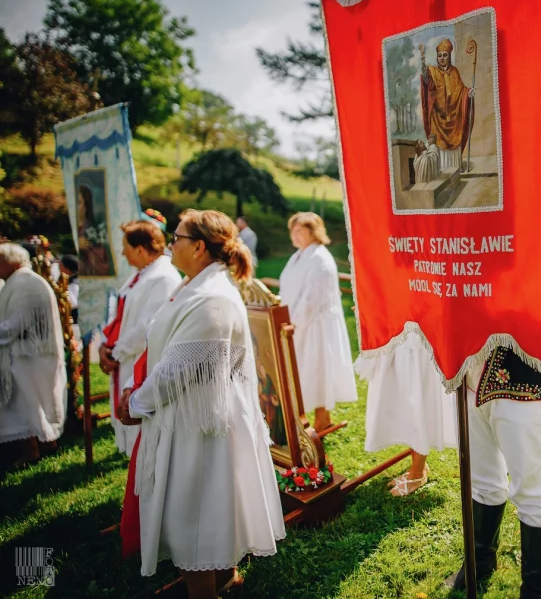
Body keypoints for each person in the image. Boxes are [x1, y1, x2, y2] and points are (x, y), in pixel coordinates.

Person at [116, 209, 284, 596]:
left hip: (200, 428)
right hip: (197, 418)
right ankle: (221, 577)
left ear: (198, 247)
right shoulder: (196, 286)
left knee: (195, 513)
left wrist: (134, 405)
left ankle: (205, 588)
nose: (170, 244)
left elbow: (178, 372)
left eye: (175, 237)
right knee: (206, 508)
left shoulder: (212, 298)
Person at [446, 348, 541, 598]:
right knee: (481, 479)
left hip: (522, 377)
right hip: (469, 373)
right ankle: (480, 562)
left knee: (532, 490)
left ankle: (536, 590)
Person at [99, 214, 180, 456]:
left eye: (126, 248)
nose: (123, 254)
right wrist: (106, 345)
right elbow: (119, 315)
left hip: (139, 357)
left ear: (142, 249)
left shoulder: (163, 277)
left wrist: (117, 351)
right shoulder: (141, 274)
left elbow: (148, 325)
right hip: (124, 356)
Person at [278, 212, 357, 432]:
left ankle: (323, 418)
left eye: (299, 230)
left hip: (316, 325)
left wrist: (294, 323)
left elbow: (312, 298)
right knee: (306, 370)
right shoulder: (298, 256)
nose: (294, 235)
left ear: (313, 232)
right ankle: (316, 416)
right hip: (297, 321)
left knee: (318, 368)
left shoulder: (320, 258)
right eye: (292, 231)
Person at [354, 332, 458, 496]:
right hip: (396, 331)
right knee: (404, 401)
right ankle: (418, 465)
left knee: (417, 398)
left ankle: (417, 473)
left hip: (417, 332)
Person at [0, 243, 66, 467]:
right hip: (33, 353)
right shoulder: (23, 280)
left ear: (10, 262)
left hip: (28, 356)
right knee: (36, 401)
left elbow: (14, 325)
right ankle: (46, 444)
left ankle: (32, 451)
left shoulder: (23, 283)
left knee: (27, 404)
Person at [419, 38, 475, 169]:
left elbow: (461, 91)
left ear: (449, 56)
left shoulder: (454, 72)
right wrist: (422, 58)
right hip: (437, 120)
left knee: (454, 147)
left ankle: (455, 170)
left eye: (445, 55)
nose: (442, 58)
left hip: (454, 120)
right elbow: (425, 77)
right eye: (440, 56)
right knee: (439, 152)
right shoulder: (433, 71)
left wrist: (468, 93)